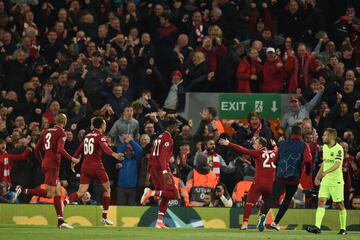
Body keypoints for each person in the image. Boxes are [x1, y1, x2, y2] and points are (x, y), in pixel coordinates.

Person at [64, 117, 124, 225]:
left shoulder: (87, 136)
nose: (105, 126)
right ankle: (104, 217)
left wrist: (74, 160)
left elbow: (79, 149)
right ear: (101, 125)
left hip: (85, 167)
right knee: (107, 189)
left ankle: (65, 202)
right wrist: (115, 154)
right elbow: (105, 148)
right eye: (104, 124)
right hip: (97, 167)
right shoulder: (100, 136)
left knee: (81, 192)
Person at [23, 113, 79, 228]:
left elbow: (37, 149)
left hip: (47, 163)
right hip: (53, 165)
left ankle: (60, 221)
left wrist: (42, 161)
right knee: (50, 194)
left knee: (58, 192)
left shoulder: (45, 132)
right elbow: (60, 149)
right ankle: (25, 191)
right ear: (65, 121)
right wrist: (72, 158)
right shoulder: (61, 132)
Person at [258, 125, 312, 232]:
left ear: (291, 133)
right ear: (300, 134)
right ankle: (275, 222)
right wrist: (307, 171)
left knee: (273, 197)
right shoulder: (304, 145)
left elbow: (275, 161)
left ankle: (263, 215)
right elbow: (308, 160)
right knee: (287, 199)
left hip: (280, 176)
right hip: (294, 177)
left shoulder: (282, 144)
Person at [219, 137, 277, 230]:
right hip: (271, 184)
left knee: (249, 202)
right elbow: (276, 149)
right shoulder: (274, 152)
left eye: (256, 142)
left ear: (260, 145)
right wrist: (274, 145)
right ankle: (261, 219)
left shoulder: (258, 153)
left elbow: (242, 149)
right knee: (266, 204)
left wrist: (228, 143)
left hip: (259, 182)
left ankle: (245, 223)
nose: (254, 143)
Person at [140, 119, 180, 228]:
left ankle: (159, 221)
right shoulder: (168, 139)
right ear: (170, 127)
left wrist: (148, 173)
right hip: (161, 169)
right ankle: (151, 193)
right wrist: (165, 171)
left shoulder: (158, 138)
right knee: (174, 194)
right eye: (176, 127)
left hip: (154, 168)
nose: (177, 129)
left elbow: (152, 155)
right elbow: (162, 156)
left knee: (165, 195)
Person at [306, 128, 347, 235]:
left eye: (324, 135)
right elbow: (325, 163)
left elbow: (337, 164)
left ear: (331, 137)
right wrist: (318, 177)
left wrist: (325, 173)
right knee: (321, 201)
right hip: (326, 181)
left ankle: (343, 228)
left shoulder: (338, 148)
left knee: (339, 204)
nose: (322, 137)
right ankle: (317, 227)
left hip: (336, 181)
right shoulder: (325, 147)